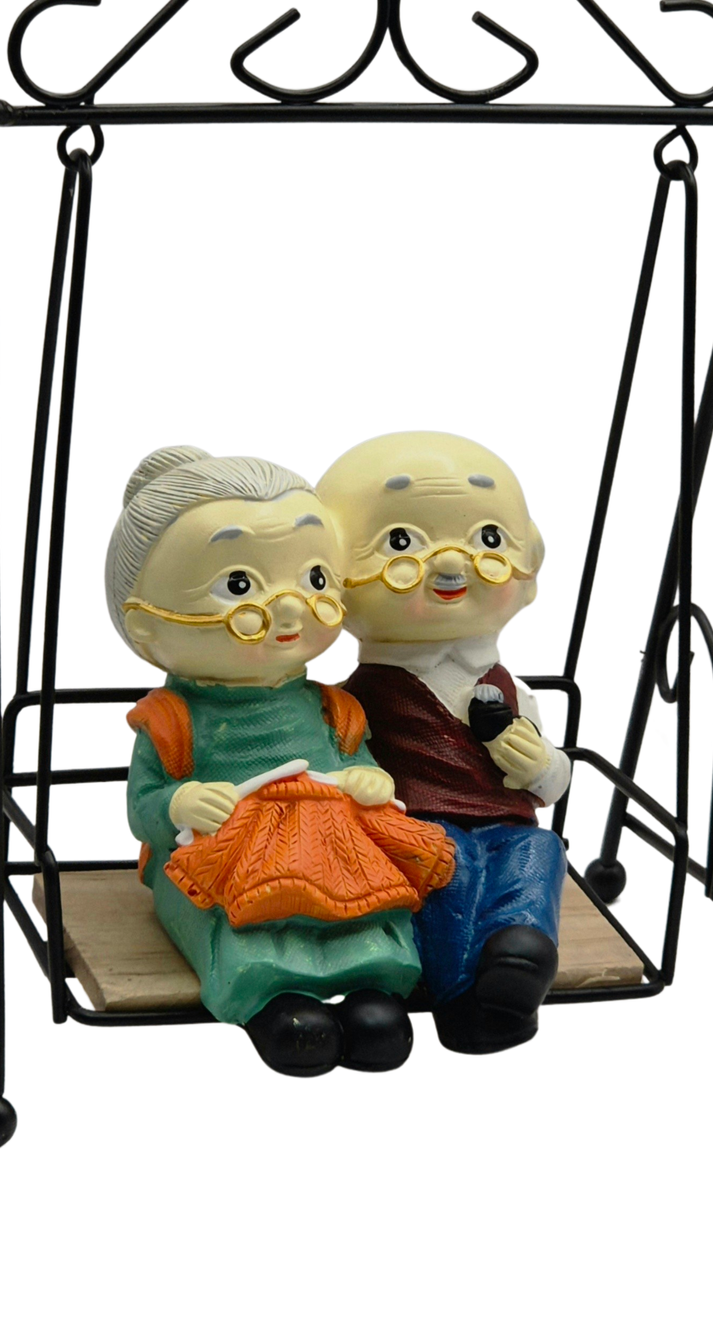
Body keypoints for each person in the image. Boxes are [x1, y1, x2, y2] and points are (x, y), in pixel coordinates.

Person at [106, 446, 453, 1076]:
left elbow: (360, 760)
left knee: (367, 909)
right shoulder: (174, 719)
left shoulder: (332, 707)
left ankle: (374, 988)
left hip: (334, 846)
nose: (291, 608)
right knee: (243, 923)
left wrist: (369, 779)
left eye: (315, 579)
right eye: (239, 586)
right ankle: (272, 1000)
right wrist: (179, 801)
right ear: (145, 625)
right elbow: (142, 806)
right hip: (225, 856)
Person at [317, 431, 570, 1054]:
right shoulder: (353, 698)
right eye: (401, 543)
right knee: (447, 871)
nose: (453, 566)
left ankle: (519, 950)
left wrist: (541, 764)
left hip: (507, 824)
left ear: (530, 566)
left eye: (489, 540)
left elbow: (551, 787)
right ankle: (466, 1000)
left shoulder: (512, 691)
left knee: (540, 852)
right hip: (416, 829)